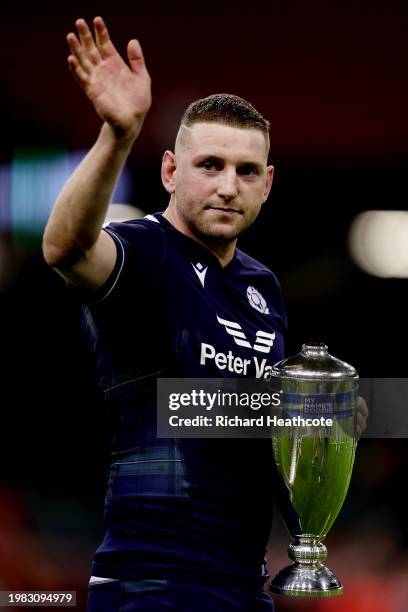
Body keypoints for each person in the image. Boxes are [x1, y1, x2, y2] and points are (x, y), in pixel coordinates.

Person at [43, 17, 367, 611]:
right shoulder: (144, 251)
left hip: (243, 583)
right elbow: (66, 249)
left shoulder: (262, 287)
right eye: (209, 165)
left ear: (267, 184)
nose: (228, 186)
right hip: (151, 582)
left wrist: (319, 424)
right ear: (171, 171)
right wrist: (119, 133)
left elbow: (255, 423)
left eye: (246, 172)